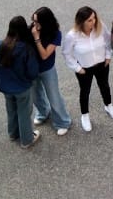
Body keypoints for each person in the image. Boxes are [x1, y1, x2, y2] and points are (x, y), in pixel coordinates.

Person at [61, 7, 113, 132]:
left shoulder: (100, 26)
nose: (93, 22)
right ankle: (85, 115)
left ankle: (108, 105)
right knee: (85, 91)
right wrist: (77, 68)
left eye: (94, 18)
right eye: (89, 20)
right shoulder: (72, 36)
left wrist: (108, 56)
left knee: (104, 86)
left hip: (102, 64)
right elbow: (66, 53)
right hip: (84, 68)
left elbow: (109, 41)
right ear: (81, 21)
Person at [0, 17, 40, 149]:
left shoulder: (0, 45)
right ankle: (27, 139)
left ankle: (13, 133)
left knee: (11, 110)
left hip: (6, 87)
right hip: (22, 87)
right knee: (24, 113)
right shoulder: (25, 48)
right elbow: (32, 71)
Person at [28, 8, 71, 137]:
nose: (34, 24)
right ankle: (43, 113)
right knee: (36, 95)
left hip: (47, 69)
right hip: (32, 69)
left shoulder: (55, 33)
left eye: (37, 21)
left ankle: (63, 122)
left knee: (54, 96)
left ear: (45, 21)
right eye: (33, 21)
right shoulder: (31, 28)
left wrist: (36, 38)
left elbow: (45, 55)